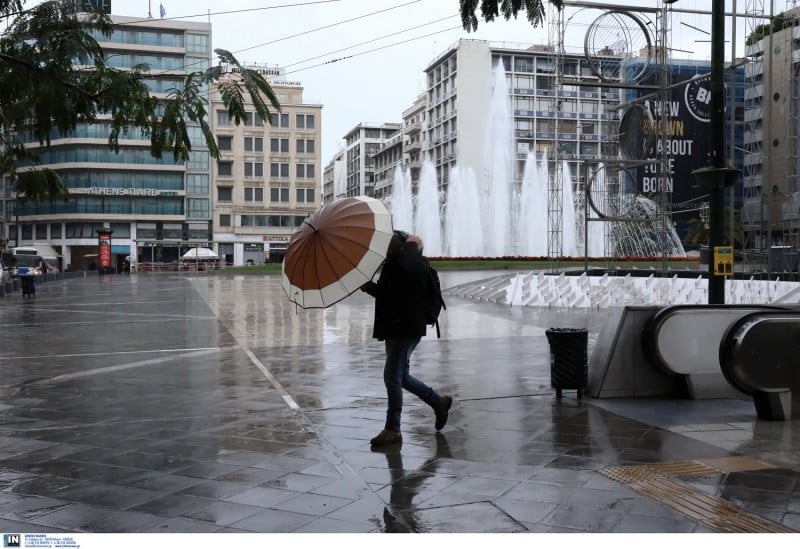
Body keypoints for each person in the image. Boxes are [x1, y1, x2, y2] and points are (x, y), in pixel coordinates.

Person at [360, 230, 452, 447]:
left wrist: (412, 245)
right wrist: (371, 288)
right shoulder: (394, 265)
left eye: (390, 244)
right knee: (401, 376)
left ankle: (393, 429)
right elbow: (393, 294)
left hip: (407, 328)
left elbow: (414, 272)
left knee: (391, 377)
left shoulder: (413, 262)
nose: (386, 249)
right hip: (395, 327)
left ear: (402, 247)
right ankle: (438, 401)